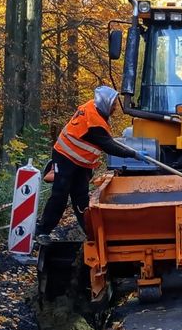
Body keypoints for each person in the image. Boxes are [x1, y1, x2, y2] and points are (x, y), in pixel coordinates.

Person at [36, 86, 141, 242]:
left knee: (81, 199)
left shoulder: (94, 107)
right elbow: (109, 146)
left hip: (81, 164)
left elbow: (107, 140)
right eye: (113, 106)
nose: (115, 109)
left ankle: (91, 234)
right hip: (65, 157)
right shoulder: (93, 123)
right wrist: (133, 154)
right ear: (105, 104)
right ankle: (41, 231)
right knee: (60, 194)